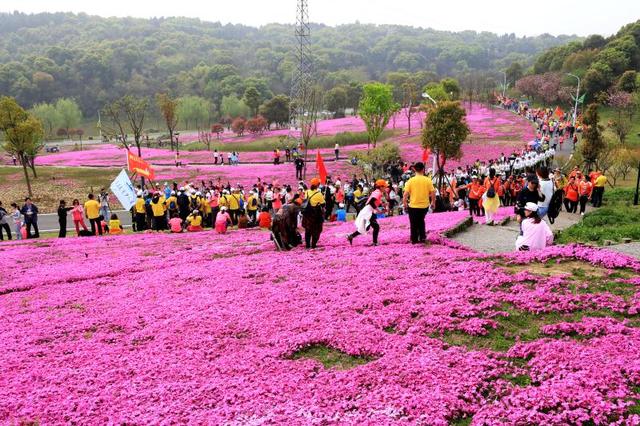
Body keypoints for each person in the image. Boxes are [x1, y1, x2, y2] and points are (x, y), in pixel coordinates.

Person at [402, 162, 436, 244]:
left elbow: (405, 194)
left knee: (413, 223)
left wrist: (405, 203)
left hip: (413, 206)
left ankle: (414, 240)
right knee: (421, 221)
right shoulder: (428, 180)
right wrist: (433, 202)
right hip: (424, 206)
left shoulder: (411, 180)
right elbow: (433, 192)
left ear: (414, 169)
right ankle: (422, 237)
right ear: (423, 169)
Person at [302, 177, 326, 249]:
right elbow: (323, 204)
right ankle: (313, 245)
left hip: (307, 214)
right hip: (315, 215)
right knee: (316, 230)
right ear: (318, 185)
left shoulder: (307, 192)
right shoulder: (319, 194)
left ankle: (307, 245)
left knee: (308, 230)